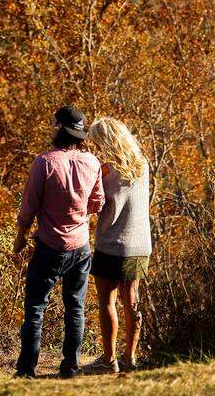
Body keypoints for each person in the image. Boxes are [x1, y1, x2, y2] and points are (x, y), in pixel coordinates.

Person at [13, 105, 104, 379]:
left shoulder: (44, 162)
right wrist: (76, 213)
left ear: (57, 130)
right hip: (80, 246)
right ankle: (70, 367)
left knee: (35, 308)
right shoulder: (93, 162)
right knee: (75, 307)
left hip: (50, 245)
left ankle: (27, 370)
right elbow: (97, 203)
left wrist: (18, 241)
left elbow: (28, 208)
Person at [81, 117, 152, 374]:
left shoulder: (105, 169)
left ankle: (108, 360)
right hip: (140, 243)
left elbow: (94, 204)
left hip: (112, 242)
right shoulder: (142, 165)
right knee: (132, 300)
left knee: (107, 301)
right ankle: (130, 357)